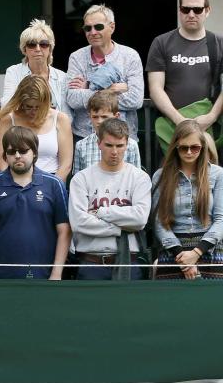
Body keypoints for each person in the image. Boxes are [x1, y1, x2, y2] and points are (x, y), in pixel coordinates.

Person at [0, 126, 70, 280]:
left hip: (46, 277)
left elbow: (64, 231)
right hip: (0, 278)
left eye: (23, 150)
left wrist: (56, 273)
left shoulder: (54, 184)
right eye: (12, 152)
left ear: (34, 153)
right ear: (5, 155)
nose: (18, 156)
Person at [68, 118, 151, 280]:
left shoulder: (140, 177)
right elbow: (79, 223)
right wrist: (121, 229)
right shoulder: (81, 178)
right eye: (109, 145)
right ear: (99, 143)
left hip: (129, 261)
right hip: (91, 262)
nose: (114, 151)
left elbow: (140, 219)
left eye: (120, 146)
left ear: (127, 144)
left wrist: (101, 212)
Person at [147, 0, 223, 151]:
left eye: (197, 9)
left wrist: (212, 116)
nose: (191, 14)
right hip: (171, 126)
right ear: (179, 10)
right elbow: (155, 88)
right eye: (185, 9)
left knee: (209, 174)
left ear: (207, 10)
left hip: (208, 126)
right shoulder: (161, 42)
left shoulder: (219, 43)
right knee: (172, 175)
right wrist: (179, 120)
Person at [152, 120, 223, 279]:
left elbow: (221, 219)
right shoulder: (160, 176)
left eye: (195, 147)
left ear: (202, 148)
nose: (189, 152)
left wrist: (197, 252)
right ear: (176, 147)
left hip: (209, 249)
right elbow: (158, 221)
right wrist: (182, 256)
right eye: (184, 147)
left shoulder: (218, 174)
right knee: (172, 302)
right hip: (173, 251)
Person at [66, 5, 144, 140]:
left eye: (98, 27)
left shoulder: (130, 56)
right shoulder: (76, 57)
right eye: (87, 28)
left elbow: (135, 100)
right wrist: (110, 89)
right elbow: (72, 98)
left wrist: (88, 87)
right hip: (84, 137)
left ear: (112, 27)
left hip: (123, 139)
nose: (93, 32)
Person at [0, 75, 73, 180]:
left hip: (52, 179)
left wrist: (53, 186)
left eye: (38, 107)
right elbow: (3, 162)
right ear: (21, 103)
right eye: (29, 107)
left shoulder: (61, 119)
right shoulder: (8, 120)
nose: (34, 111)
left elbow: (65, 164)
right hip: (16, 181)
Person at [2, 18, 72, 121]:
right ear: (24, 50)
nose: (38, 49)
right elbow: (7, 108)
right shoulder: (13, 72)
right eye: (31, 44)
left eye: (43, 44)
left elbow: (67, 116)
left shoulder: (62, 77)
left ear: (50, 49)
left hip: (54, 132)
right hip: (24, 131)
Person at [72, 90, 142, 175]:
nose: (99, 121)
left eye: (104, 117)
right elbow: (78, 178)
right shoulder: (81, 145)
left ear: (116, 116)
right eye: (95, 117)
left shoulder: (131, 145)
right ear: (89, 116)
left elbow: (136, 177)